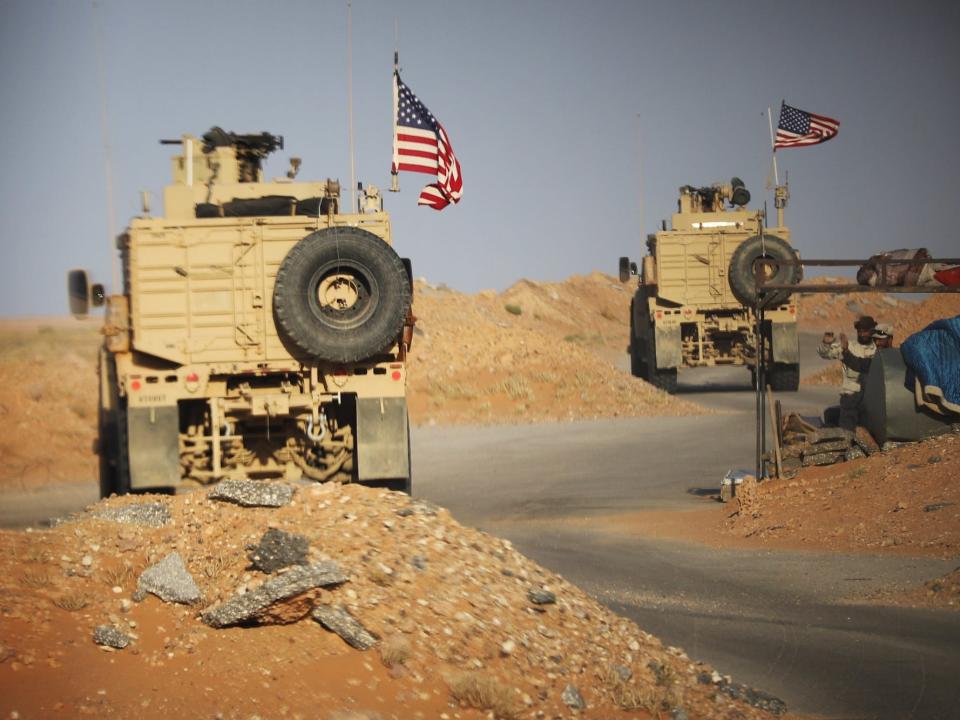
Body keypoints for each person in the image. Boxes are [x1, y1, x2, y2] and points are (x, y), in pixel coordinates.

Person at [818, 315, 878, 431]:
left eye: (865, 331)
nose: (862, 334)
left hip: (871, 400)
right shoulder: (848, 346)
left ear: (872, 331)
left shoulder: (878, 348)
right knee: (848, 433)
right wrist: (826, 344)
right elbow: (826, 354)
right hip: (850, 400)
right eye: (859, 331)